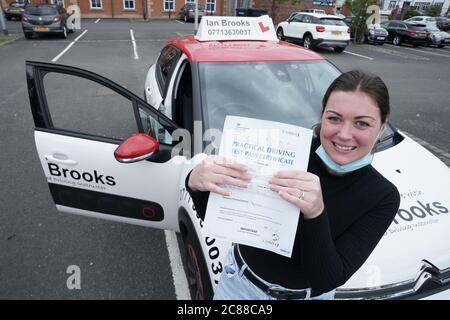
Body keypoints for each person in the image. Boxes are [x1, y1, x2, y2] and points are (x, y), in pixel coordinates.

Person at [185, 70, 401, 300]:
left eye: (362, 123)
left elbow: (327, 279)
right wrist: (196, 184)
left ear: (381, 128)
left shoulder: (382, 196)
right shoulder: (285, 151)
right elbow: (226, 218)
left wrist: (316, 213)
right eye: (334, 118)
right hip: (240, 285)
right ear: (323, 116)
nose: (345, 134)